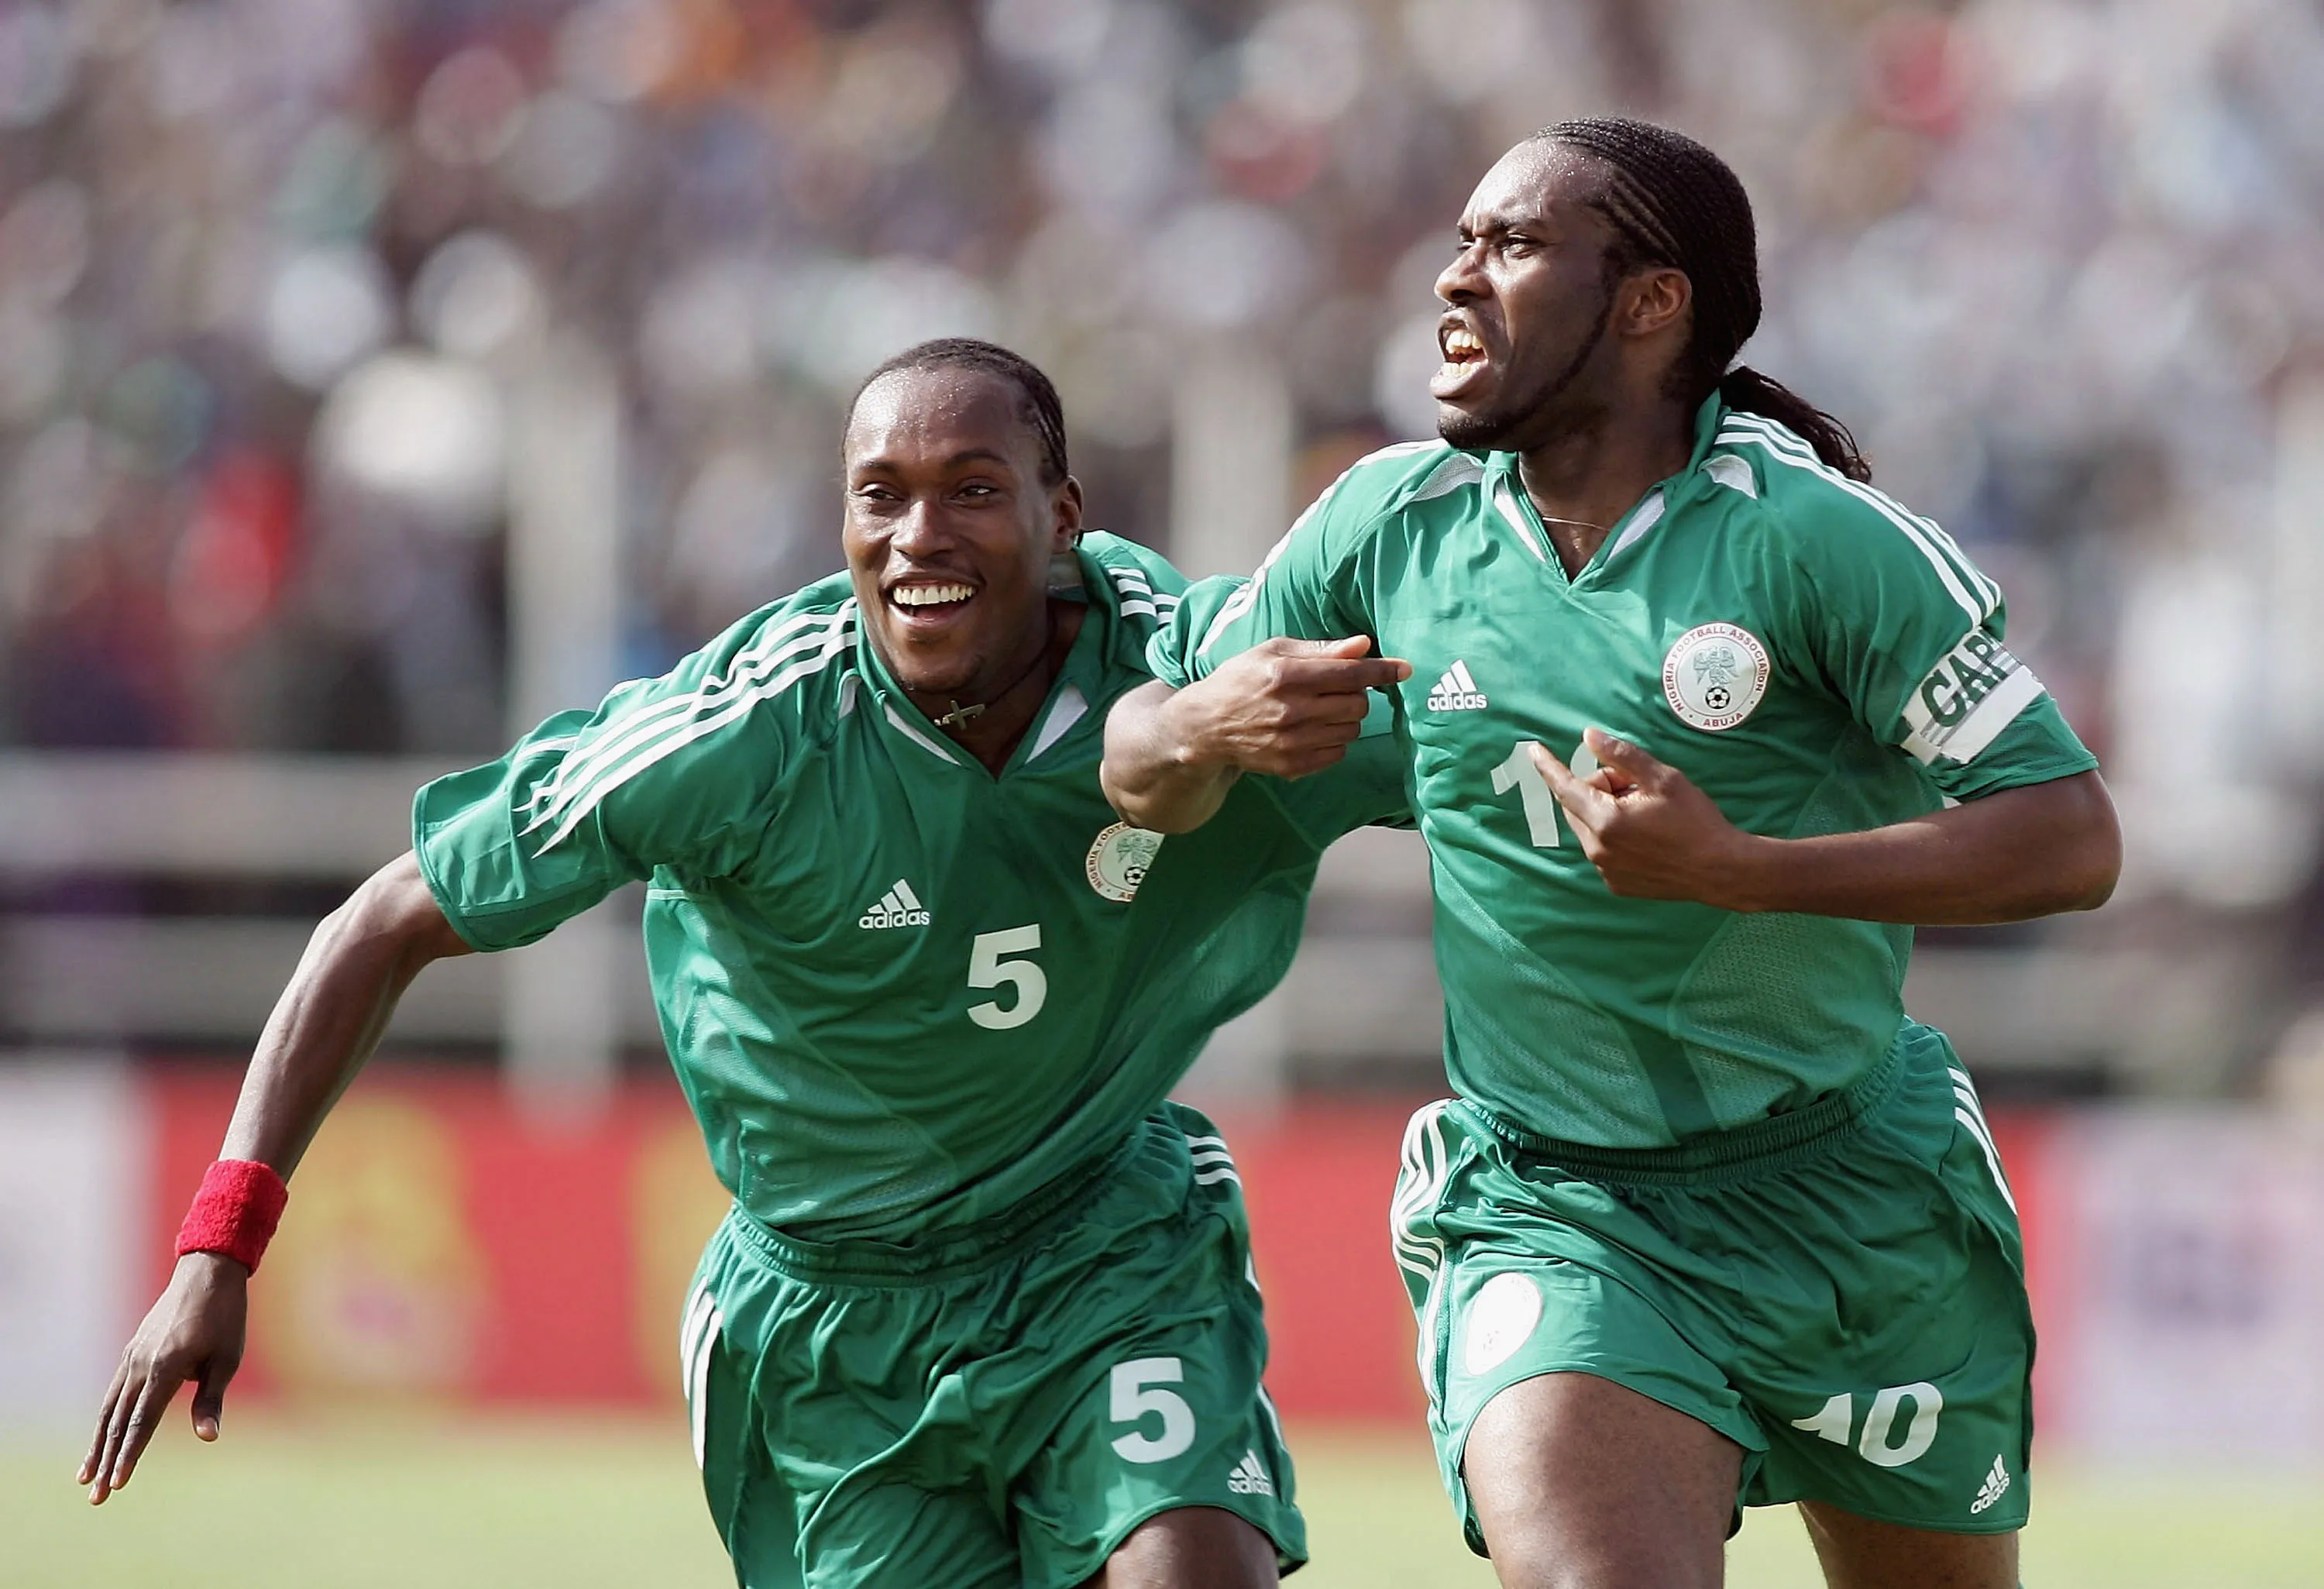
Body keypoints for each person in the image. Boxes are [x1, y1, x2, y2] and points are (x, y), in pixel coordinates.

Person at [82, 339, 1409, 1589]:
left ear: (1062, 517)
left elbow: (1467, 753)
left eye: (972, 489)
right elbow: (381, 921)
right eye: (880, 494)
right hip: (836, 1324)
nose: (919, 534)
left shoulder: (1191, 668)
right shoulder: (747, 731)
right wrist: (219, 1244)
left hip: (1105, 1247)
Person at [1101, 119, 2122, 1589]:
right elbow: (1135, 762)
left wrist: (1739, 869)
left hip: (1851, 1193)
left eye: (1513, 245)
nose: (1455, 278)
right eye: (1462, 241)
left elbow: (2069, 834)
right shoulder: (1390, 525)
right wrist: (1202, 722)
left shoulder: (1817, 541)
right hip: (1555, 1202)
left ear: (1651, 304)